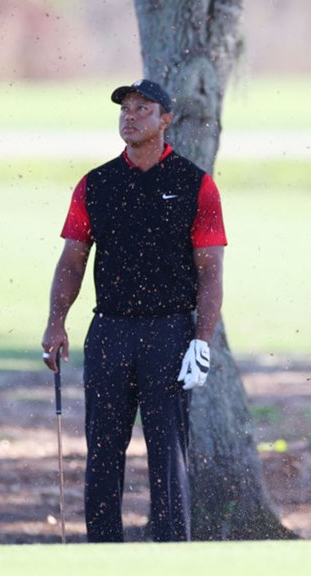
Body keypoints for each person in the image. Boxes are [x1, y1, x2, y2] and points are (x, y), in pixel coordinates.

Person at [40, 79, 227, 543]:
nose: (130, 116)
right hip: (109, 332)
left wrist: (201, 340)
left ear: (166, 120)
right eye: (125, 108)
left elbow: (210, 270)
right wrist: (56, 322)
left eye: (143, 108)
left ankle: (170, 555)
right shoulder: (96, 183)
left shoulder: (194, 184)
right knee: (102, 452)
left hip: (169, 333)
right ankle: (104, 554)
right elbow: (73, 259)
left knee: (168, 455)